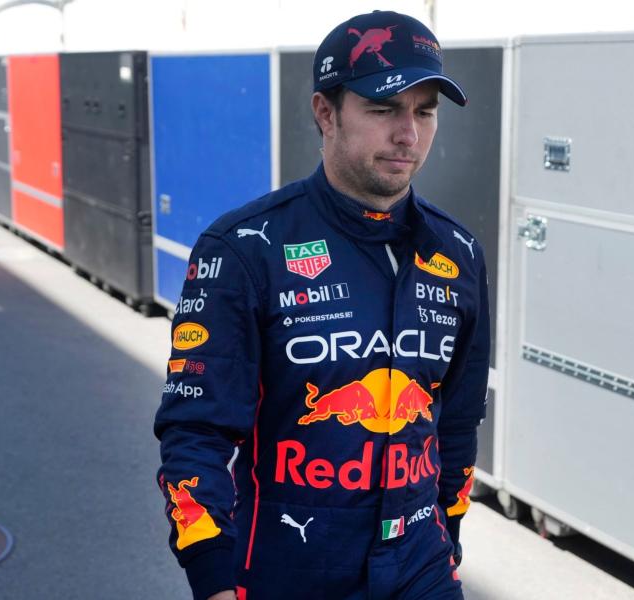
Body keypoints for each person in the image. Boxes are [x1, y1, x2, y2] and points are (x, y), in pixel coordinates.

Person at [154, 10, 490, 600]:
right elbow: (196, 431)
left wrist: (450, 537)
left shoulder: (458, 253)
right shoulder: (243, 249)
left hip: (421, 566)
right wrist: (210, 574)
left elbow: (458, 421)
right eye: (384, 109)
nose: (408, 134)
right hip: (288, 569)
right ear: (326, 113)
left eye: (425, 111)